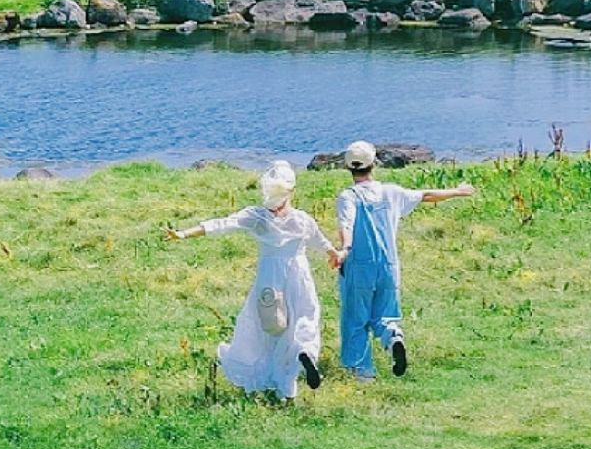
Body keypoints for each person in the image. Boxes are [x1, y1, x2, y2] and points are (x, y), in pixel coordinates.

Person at [167, 161, 341, 400]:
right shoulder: (302, 219)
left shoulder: (257, 217)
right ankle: (303, 354)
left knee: (270, 327)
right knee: (305, 317)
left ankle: (279, 384)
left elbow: (221, 224)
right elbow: (322, 243)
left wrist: (184, 233)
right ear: (291, 190)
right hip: (299, 275)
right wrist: (335, 255)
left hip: (269, 278)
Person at [336, 141, 477, 381]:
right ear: (374, 164)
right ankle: (392, 337)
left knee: (356, 321)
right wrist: (457, 191)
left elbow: (346, 224)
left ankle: (362, 372)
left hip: (359, 266)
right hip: (389, 265)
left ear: (348, 167)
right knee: (384, 315)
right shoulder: (391, 192)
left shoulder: (348, 197)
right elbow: (426, 195)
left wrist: (345, 249)